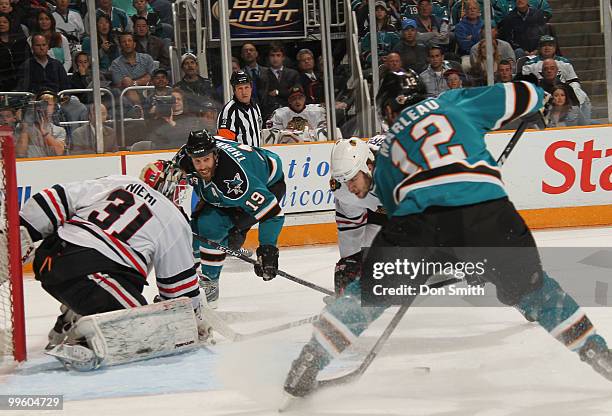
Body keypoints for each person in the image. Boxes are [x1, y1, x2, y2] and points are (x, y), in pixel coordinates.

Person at [282, 71, 612, 397]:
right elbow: (524, 93)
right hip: (486, 209)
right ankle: (595, 350)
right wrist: (538, 99)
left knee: (367, 294)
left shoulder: (385, 153)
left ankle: (309, 360)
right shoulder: (454, 102)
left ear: (386, 112)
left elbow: (405, 224)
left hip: (417, 222)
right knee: (536, 290)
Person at [19, 163, 209, 368]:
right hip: (90, 274)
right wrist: (193, 319)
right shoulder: (174, 220)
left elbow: (57, 197)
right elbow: (179, 292)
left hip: (51, 258)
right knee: (150, 328)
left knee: (125, 282)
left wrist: (23, 228)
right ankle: (85, 339)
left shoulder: (122, 181)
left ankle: (77, 315)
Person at [179, 130, 285, 307]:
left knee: (212, 228)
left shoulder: (237, 180)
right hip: (231, 180)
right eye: (197, 161)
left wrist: (268, 250)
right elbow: (169, 175)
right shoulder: (184, 158)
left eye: (206, 160)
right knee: (194, 229)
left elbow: (273, 214)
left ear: (215, 154)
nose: (202, 166)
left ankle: (210, 285)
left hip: (268, 182)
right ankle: (187, 282)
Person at [329, 137, 387, 296]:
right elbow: (350, 232)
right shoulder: (343, 189)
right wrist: (350, 266)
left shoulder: (400, 174)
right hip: (378, 205)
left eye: (353, 179)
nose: (350, 187)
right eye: (346, 181)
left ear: (368, 167)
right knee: (356, 262)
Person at [217, 70, 263, 147]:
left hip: (256, 156)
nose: (244, 92)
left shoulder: (255, 107)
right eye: (240, 88)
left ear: (251, 88)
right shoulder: (229, 111)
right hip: (240, 158)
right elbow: (225, 144)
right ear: (234, 90)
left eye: (246, 87)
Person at [0, 12, 30, 92]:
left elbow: (28, 60)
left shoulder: (21, 41)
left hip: (22, 82)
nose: (1, 24)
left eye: (5, 22)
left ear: (10, 24)